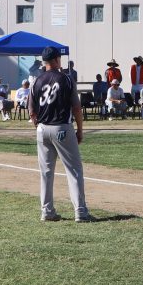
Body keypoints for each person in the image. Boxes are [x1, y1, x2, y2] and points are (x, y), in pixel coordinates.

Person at [30, 45, 93, 223]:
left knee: (46, 172)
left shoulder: (36, 80)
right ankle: (80, 211)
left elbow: (31, 110)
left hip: (42, 128)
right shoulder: (66, 78)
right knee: (73, 170)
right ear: (57, 59)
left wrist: (38, 125)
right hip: (62, 128)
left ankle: (47, 211)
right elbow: (76, 107)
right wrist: (80, 130)